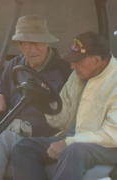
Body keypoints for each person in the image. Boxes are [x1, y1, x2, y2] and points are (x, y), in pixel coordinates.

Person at [11, 31, 117, 180]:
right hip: (77, 141)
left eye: (78, 61)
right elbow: (63, 122)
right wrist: (48, 102)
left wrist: (70, 142)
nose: (72, 66)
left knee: (74, 150)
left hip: (110, 147)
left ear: (97, 61)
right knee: (23, 147)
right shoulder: (78, 76)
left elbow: (113, 135)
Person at [0, 15, 72, 180]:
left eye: (39, 42)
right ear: (19, 45)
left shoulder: (65, 70)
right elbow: (1, 88)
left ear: (47, 42)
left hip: (47, 136)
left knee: (2, 139)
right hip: (16, 130)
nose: (33, 50)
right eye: (26, 43)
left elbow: (71, 111)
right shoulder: (14, 65)